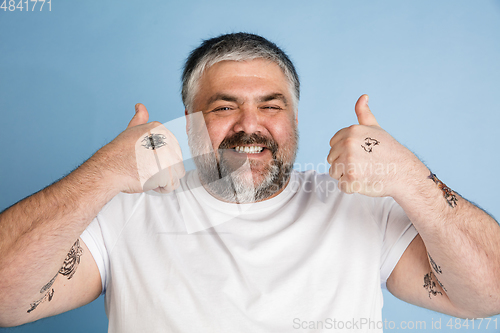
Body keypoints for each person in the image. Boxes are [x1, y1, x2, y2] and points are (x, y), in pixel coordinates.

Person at [0, 32, 499, 332]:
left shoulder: (359, 209)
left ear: (296, 120)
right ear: (188, 119)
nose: (249, 124)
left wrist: (409, 177)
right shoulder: (124, 208)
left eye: (271, 105)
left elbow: (490, 294)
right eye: (223, 106)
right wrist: (104, 172)